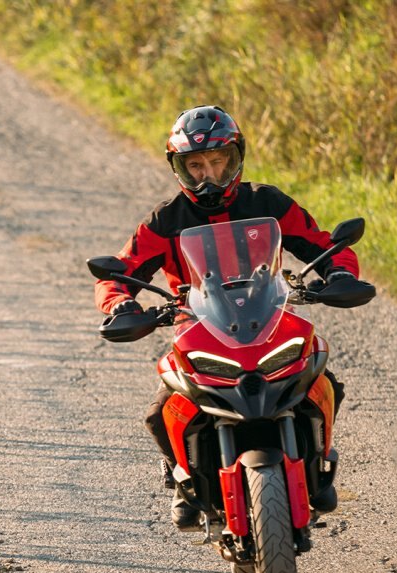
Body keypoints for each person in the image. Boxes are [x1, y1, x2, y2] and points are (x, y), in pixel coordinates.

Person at [94, 105, 363, 529]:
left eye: (219, 161)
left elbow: (323, 244)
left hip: (270, 315)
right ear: (179, 167)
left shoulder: (268, 202)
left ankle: (319, 462)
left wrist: (340, 272)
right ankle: (183, 479)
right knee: (160, 411)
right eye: (196, 165)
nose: (209, 174)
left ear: (236, 158)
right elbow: (120, 273)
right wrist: (121, 303)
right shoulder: (165, 221)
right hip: (198, 325)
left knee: (323, 381)